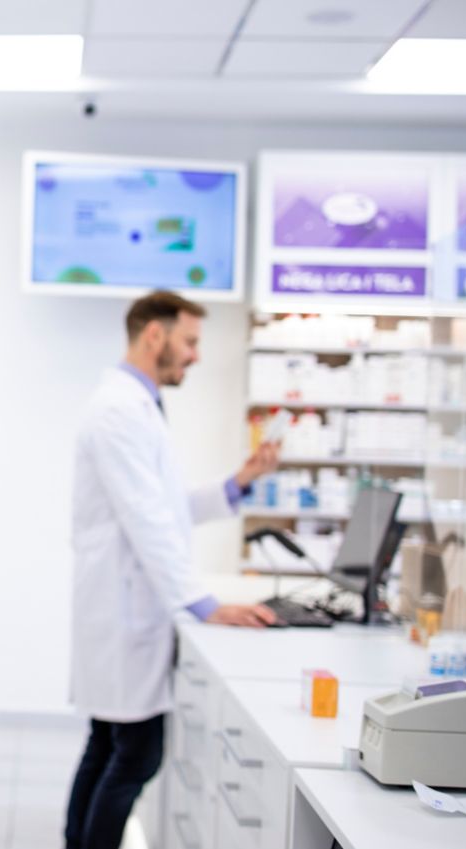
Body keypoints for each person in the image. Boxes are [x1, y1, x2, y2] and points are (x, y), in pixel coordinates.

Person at [64, 290, 280, 849]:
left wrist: (237, 482)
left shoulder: (138, 407)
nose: (196, 355)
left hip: (123, 607)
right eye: (190, 341)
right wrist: (205, 603)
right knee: (134, 755)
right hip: (121, 610)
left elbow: (162, 505)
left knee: (110, 747)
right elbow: (146, 520)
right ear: (154, 334)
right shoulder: (119, 411)